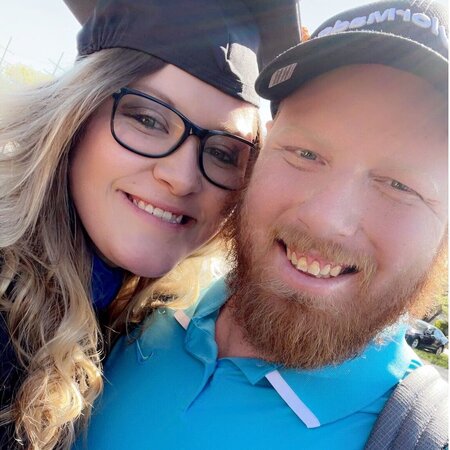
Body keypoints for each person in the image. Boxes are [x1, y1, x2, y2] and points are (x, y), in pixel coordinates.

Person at [76, 0, 448, 449]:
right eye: (306, 154)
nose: (326, 220)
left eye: (399, 185)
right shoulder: (129, 318)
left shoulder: (421, 435)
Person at [0, 0, 301, 448]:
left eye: (224, 153)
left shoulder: (148, 326)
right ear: (74, 117)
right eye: (148, 119)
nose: (182, 178)